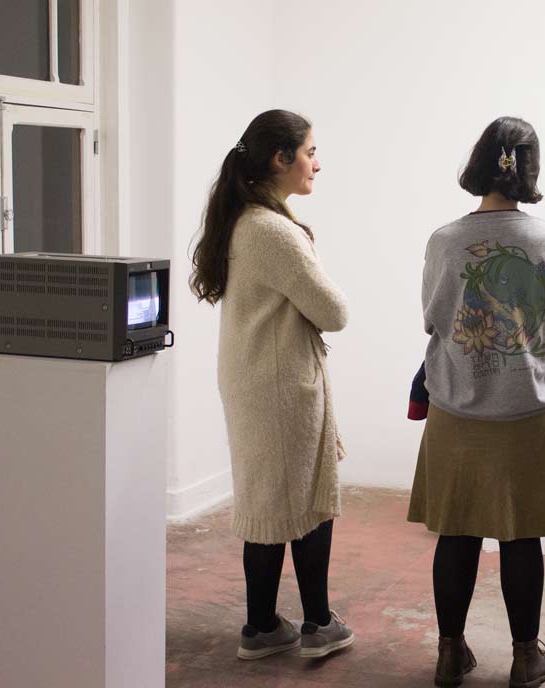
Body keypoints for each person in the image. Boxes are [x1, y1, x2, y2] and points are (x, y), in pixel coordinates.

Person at [407, 116, 545, 688]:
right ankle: (527, 657)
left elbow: (433, 317)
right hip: (531, 410)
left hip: (458, 409)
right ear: (530, 168)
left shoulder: (444, 241)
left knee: (456, 533)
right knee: (521, 536)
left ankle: (450, 653)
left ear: (479, 161)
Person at [189, 109, 355, 662]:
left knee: (266, 505)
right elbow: (334, 312)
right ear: (281, 159)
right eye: (310, 152)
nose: (317, 163)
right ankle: (318, 624)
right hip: (283, 387)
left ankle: (261, 626)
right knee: (308, 504)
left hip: (254, 379)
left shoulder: (244, 221)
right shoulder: (273, 231)